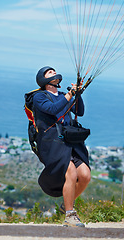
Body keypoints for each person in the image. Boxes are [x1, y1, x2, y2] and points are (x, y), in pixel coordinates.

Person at [33, 66, 91, 227]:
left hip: (70, 142)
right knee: (70, 172)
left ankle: (66, 204)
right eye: (49, 72)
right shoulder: (39, 97)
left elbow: (80, 111)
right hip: (52, 143)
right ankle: (70, 215)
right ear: (43, 79)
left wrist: (77, 95)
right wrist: (70, 94)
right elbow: (52, 109)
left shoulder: (62, 95)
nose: (54, 73)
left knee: (85, 175)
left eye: (54, 71)